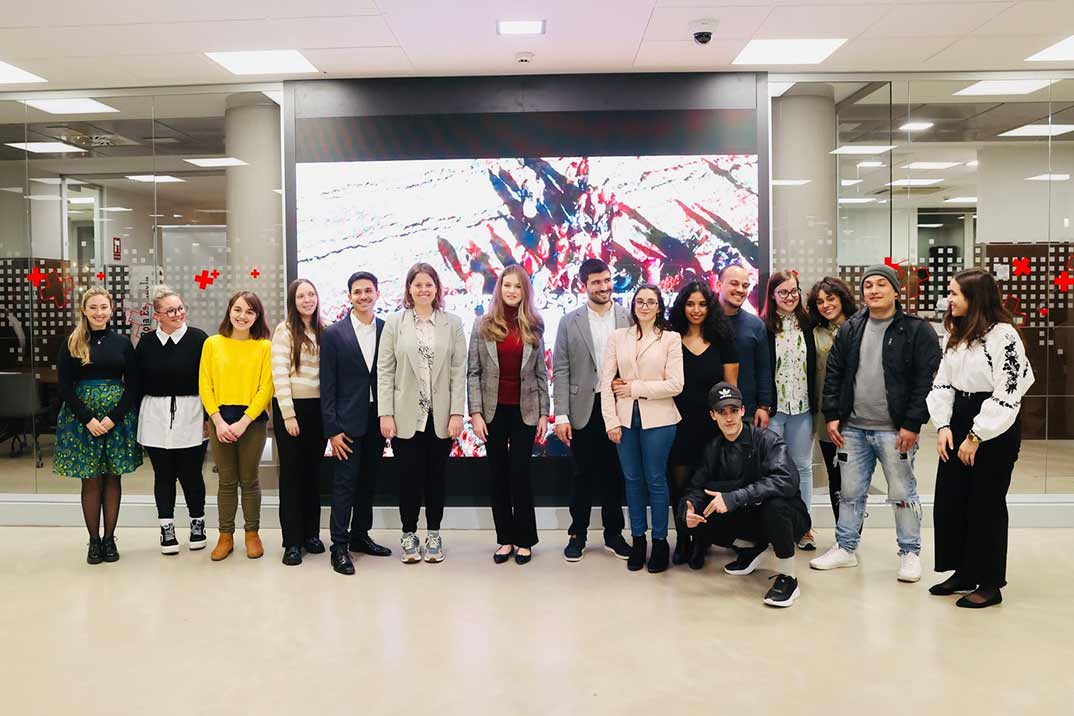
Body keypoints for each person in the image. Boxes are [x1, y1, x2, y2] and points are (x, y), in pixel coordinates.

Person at [810, 264, 941, 582]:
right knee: (850, 492)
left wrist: (912, 423)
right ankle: (845, 548)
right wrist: (833, 416)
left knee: (903, 493)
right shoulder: (852, 328)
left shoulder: (915, 330)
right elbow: (835, 375)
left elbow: (926, 381)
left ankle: (909, 553)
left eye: (881, 284)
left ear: (896, 291)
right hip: (852, 428)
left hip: (895, 430)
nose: (873, 290)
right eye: (868, 285)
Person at [926, 268, 1034, 609]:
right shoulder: (955, 333)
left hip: (993, 428)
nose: (949, 299)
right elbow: (943, 382)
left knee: (985, 505)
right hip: (959, 418)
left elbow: (1011, 390)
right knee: (952, 499)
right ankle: (964, 572)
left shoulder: (1004, 336)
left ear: (975, 299)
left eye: (955, 293)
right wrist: (943, 426)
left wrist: (976, 435)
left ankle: (989, 583)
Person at [680, 382, 811, 608]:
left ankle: (789, 578)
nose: (729, 417)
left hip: (789, 518)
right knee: (698, 515)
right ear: (712, 415)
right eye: (722, 412)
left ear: (742, 411)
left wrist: (734, 497)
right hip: (751, 517)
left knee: (775, 506)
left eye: (733, 410)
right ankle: (751, 549)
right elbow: (696, 488)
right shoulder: (712, 449)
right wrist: (687, 509)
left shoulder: (767, 440)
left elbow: (785, 480)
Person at [378, 263, 466, 564]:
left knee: (436, 478)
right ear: (409, 289)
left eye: (429, 284)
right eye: (418, 285)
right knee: (408, 479)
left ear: (437, 289)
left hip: (440, 416)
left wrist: (457, 413)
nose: (423, 289)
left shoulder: (452, 324)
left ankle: (434, 534)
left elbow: (458, 371)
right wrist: (385, 413)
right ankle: (408, 533)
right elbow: (385, 370)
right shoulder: (394, 323)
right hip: (404, 416)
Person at [468, 265, 550, 565]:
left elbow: (541, 373)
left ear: (524, 291)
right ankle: (504, 539)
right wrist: (475, 413)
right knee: (498, 476)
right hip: (492, 412)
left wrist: (544, 413)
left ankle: (525, 539)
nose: (512, 291)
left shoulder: (535, 324)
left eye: (517, 286)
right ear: (499, 289)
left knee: (520, 476)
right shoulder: (483, 324)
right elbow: (473, 372)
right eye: (507, 286)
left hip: (525, 411)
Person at [54, 287, 142, 564]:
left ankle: (109, 539)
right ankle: (93, 541)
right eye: (93, 307)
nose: (99, 312)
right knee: (91, 480)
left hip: (116, 419)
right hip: (83, 421)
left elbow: (134, 384)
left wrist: (114, 417)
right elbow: (65, 387)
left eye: (103, 307)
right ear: (84, 310)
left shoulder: (123, 343)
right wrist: (88, 419)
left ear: (111, 309)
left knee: (113, 477)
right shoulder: (73, 342)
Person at [553, 258, 632, 562]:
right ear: (583, 286)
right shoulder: (568, 321)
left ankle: (614, 534)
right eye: (596, 282)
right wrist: (561, 414)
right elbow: (560, 369)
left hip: (618, 407)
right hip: (582, 408)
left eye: (607, 280)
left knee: (615, 474)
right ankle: (578, 535)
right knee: (582, 475)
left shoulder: (627, 317)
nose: (604, 287)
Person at [601, 284, 684, 573]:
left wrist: (634, 387)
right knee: (632, 481)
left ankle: (659, 541)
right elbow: (606, 383)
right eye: (640, 301)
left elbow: (675, 385)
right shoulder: (617, 337)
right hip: (624, 421)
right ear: (633, 305)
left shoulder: (671, 339)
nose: (645, 306)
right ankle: (638, 540)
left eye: (651, 302)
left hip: (660, 420)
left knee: (656, 480)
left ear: (659, 306)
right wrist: (611, 421)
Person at [321, 271, 393, 576]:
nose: (363, 296)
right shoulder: (334, 334)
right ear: (349, 296)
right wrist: (332, 430)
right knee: (344, 485)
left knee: (368, 483)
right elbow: (327, 386)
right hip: (346, 423)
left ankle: (360, 536)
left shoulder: (386, 330)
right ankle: (339, 545)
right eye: (357, 292)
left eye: (368, 291)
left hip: (377, 420)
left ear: (377, 293)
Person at [667, 280, 739, 567]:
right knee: (680, 485)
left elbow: (731, 387)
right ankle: (683, 538)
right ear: (682, 307)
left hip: (711, 425)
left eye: (702, 304)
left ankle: (701, 541)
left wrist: (729, 423)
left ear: (710, 307)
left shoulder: (723, 339)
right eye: (690, 303)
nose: (696, 310)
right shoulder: (670, 337)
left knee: (707, 483)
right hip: (677, 423)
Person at [199, 291, 274, 561]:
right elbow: (204, 384)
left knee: (250, 480)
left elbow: (267, 387)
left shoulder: (264, 346)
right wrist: (217, 421)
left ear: (257, 317)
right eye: (238, 310)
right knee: (227, 481)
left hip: (251, 422)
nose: (243, 316)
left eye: (250, 312)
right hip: (219, 420)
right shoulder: (212, 344)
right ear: (229, 310)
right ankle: (225, 535)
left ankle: (252, 533)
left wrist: (244, 422)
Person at [136, 285, 209, 555]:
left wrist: (209, 417)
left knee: (191, 474)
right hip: (155, 415)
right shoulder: (146, 343)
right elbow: (137, 382)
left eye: (180, 308)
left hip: (192, 413)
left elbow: (209, 381)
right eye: (171, 310)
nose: (178, 314)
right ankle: (166, 527)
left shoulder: (199, 339)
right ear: (157, 315)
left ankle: (197, 523)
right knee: (163, 475)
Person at [761, 270, 818, 550]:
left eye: (794, 291)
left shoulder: (809, 325)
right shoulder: (765, 327)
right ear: (772, 295)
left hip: (803, 409)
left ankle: (805, 528)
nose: (789, 297)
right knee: (774, 471)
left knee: (803, 468)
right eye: (783, 292)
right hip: (774, 410)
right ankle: (778, 528)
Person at [271, 279, 326, 567]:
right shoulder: (284, 330)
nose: (307, 300)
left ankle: (311, 534)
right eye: (301, 296)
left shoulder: (323, 329)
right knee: (292, 476)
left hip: (318, 410)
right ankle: (292, 541)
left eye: (311, 294)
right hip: (291, 410)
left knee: (313, 474)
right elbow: (279, 374)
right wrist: (289, 415)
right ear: (293, 301)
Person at [807, 277, 858, 526]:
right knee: (835, 475)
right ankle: (842, 532)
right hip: (826, 417)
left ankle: (852, 534)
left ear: (842, 298)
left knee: (855, 479)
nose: (826, 305)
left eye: (830, 298)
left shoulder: (859, 328)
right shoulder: (815, 334)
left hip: (857, 416)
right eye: (820, 301)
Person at [716, 264, 773, 427]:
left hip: (746, 412)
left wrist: (763, 406)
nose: (740, 290)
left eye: (745, 285)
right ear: (718, 285)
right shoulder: (704, 322)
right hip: (710, 412)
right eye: (734, 283)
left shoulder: (755, 325)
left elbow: (763, 369)